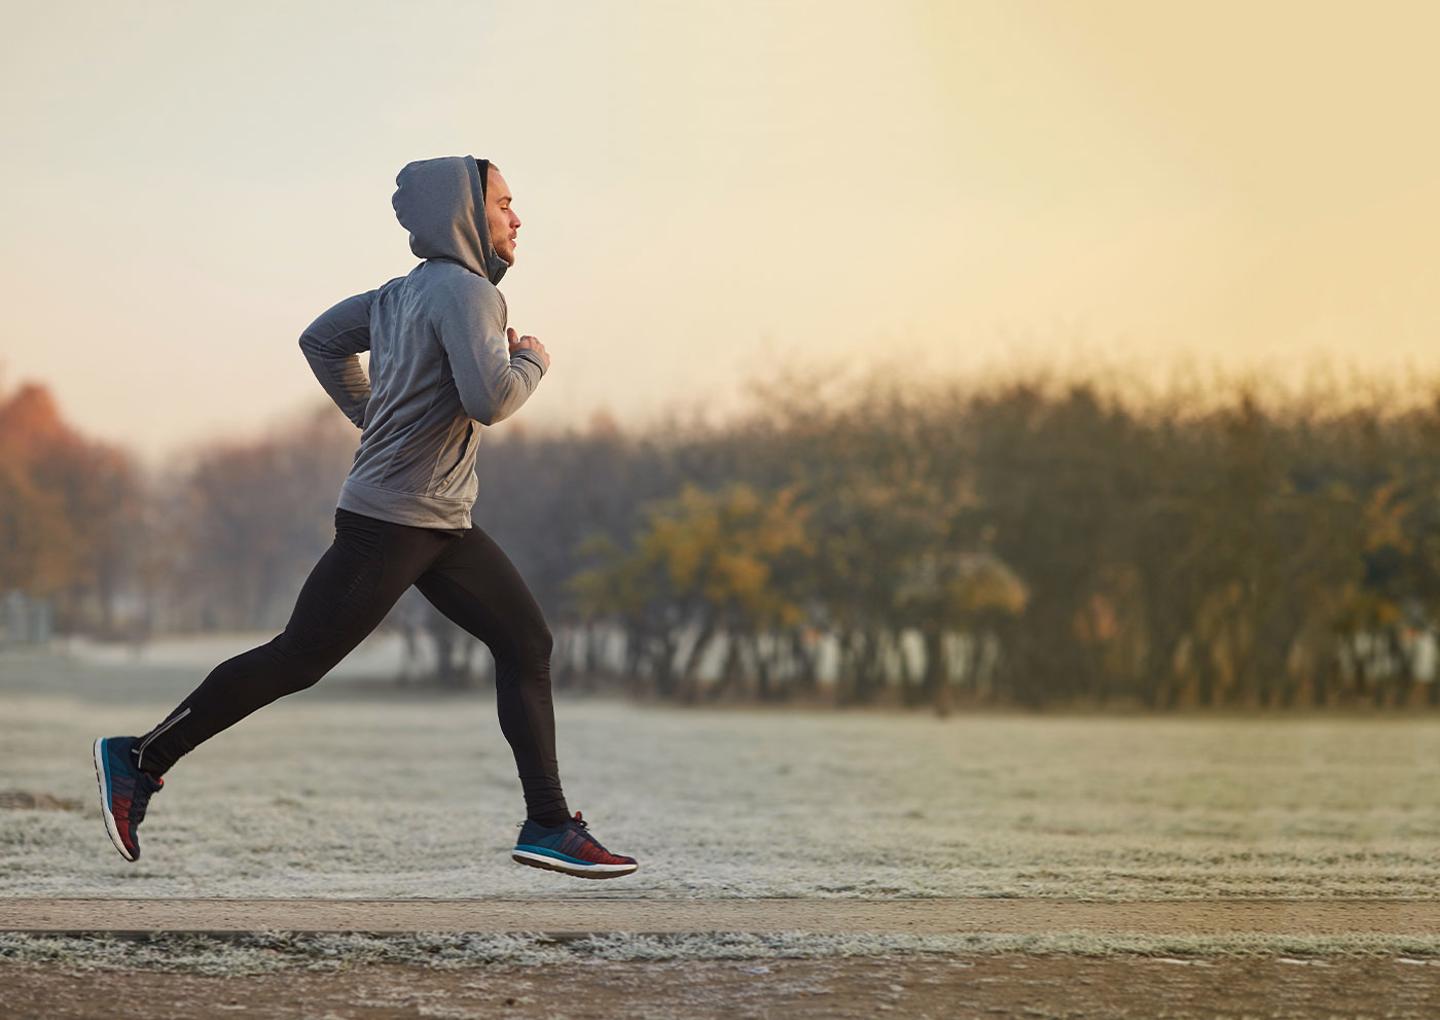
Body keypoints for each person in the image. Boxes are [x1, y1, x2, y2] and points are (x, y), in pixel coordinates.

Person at [93, 155, 638, 880]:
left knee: (525, 642)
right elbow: (491, 399)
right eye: (505, 202)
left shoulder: (401, 294)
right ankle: (138, 759)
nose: (517, 217)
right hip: (394, 522)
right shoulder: (471, 295)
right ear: (466, 213)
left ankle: (547, 823)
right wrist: (533, 360)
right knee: (299, 657)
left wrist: (371, 413)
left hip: (439, 521)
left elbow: (320, 339)